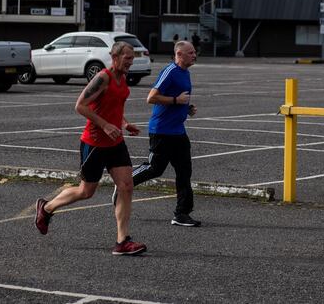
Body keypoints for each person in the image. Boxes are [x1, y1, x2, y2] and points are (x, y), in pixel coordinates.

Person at [35, 41, 147, 256]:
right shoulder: (102, 78)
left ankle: (122, 240)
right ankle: (47, 208)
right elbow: (80, 105)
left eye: (132, 59)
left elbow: (111, 107)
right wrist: (104, 125)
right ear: (114, 57)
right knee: (86, 191)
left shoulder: (122, 79)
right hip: (95, 143)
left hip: (115, 142)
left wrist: (123, 123)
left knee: (126, 186)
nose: (130, 62)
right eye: (127, 58)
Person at [120, 40, 201, 227]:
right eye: (190, 53)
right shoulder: (170, 71)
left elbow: (177, 100)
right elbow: (151, 97)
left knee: (184, 172)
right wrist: (176, 100)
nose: (194, 55)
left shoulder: (185, 73)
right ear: (179, 55)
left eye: (194, 52)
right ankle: (123, 183)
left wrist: (185, 107)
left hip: (178, 132)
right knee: (155, 168)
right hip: (162, 132)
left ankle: (181, 214)